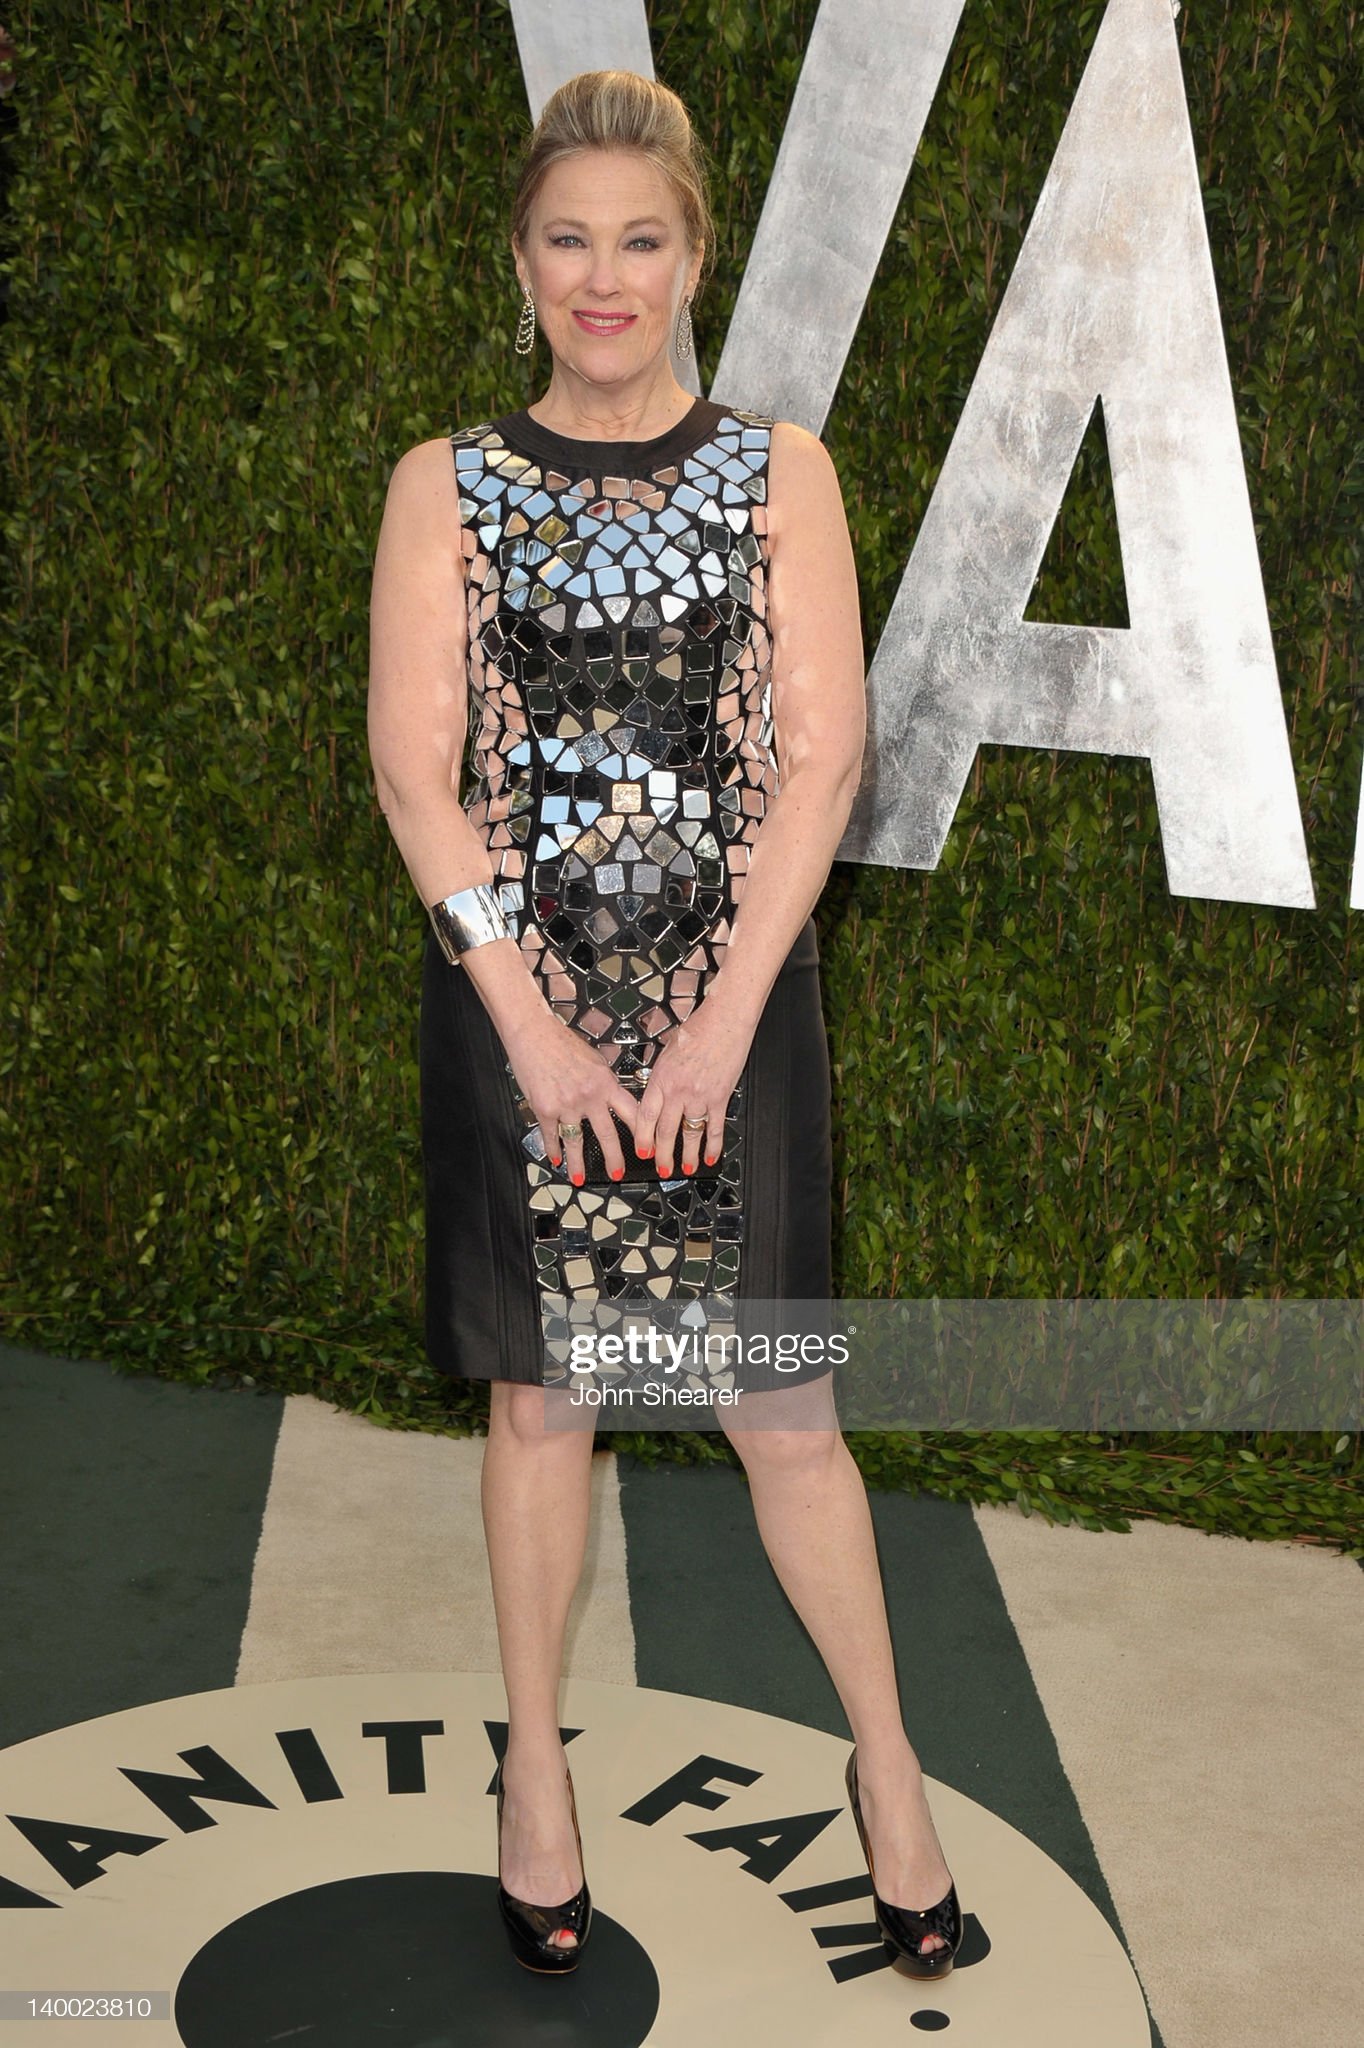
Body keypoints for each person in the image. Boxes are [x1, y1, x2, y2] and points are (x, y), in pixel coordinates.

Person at [367, 68, 963, 1980]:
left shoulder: (781, 471)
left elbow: (824, 759)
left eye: (640, 239)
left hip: (741, 1007)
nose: (603, 277)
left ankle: (888, 1768)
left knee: (780, 1405)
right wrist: (537, 1035)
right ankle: (534, 1772)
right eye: (569, 240)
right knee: (543, 1396)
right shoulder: (446, 486)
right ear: (521, 261)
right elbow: (417, 780)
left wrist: (715, 1026)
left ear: (695, 257)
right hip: (513, 1010)